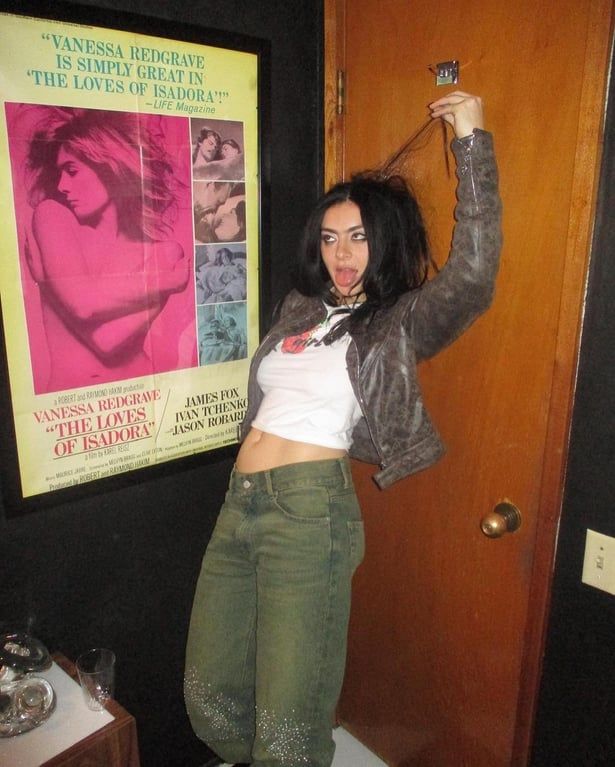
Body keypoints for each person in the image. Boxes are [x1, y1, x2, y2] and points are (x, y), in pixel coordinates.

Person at [184, 92, 501, 767]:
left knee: (290, 723)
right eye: (329, 237)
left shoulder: (396, 323)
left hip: (310, 514)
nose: (341, 252)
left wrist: (469, 140)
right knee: (209, 697)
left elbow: (473, 277)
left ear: (381, 239)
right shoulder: (299, 308)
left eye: (356, 236)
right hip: (239, 508)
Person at [18, 106, 191, 392]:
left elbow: (106, 341)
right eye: (60, 172)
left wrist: (77, 290)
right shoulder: (52, 216)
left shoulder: (164, 252)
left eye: (72, 171)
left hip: (144, 396)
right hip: (76, 411)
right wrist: (167, 281)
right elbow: (82, 304)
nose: (61, 185)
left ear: (108, 165)